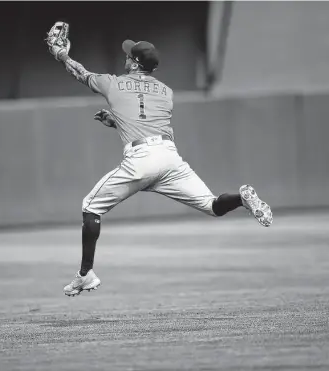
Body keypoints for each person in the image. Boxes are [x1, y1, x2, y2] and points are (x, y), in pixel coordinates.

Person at [47, 32, 273, 297]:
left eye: (128, 55)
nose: (125, 57)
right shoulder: (166, 92)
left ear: (133, 63)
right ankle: (241, 198)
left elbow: (80, 72)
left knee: (90, 206)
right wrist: (116, 120)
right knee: (212, 205)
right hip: (169, 158)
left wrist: (61, 54)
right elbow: (145, 115)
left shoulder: (114, 83)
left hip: (141, 159)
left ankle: (85, 274)